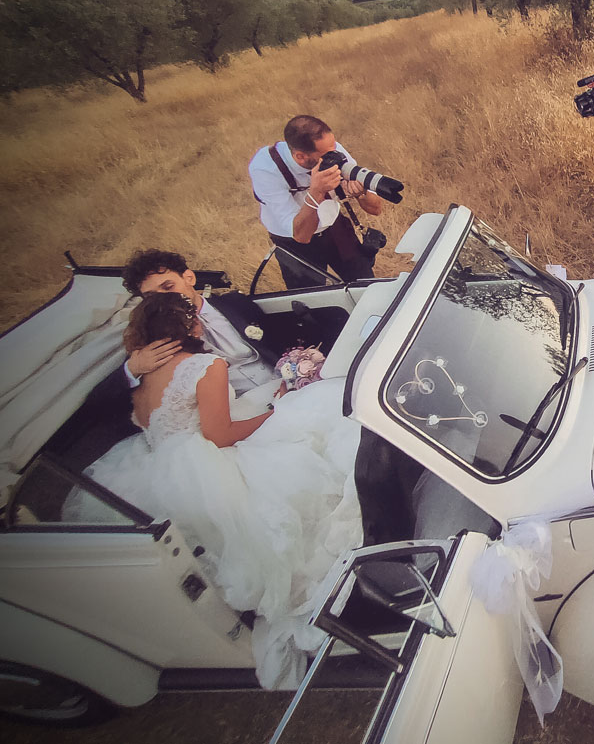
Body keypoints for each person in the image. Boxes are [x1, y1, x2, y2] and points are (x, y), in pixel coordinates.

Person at [77, 293, 364, 690]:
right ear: (191, 326)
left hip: (157, 466)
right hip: (207, 461)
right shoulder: (205, 365)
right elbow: (219, 435)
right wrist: (274, 410)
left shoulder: (143, 375)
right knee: (306, 449)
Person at [119, 249, 283, 416]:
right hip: (238, 412)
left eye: (168, 287)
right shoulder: (152, 334)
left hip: (284, 385)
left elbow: (280, 339)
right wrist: (132, 369)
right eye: (151, 295)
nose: (163, 298)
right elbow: (102, 401)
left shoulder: (236, 303)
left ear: (189, 278)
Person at [249, 115, 385, 289]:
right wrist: (316, 191)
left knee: (365, 282)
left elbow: (376, 209)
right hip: (294, 241)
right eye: (327, 154)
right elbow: (301, 235)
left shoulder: (333, 151)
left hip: (334, 226)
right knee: (311, 299)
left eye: (334, 147)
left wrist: (360, 192)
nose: (335, 155)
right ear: (300, 157)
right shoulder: (266, 169)